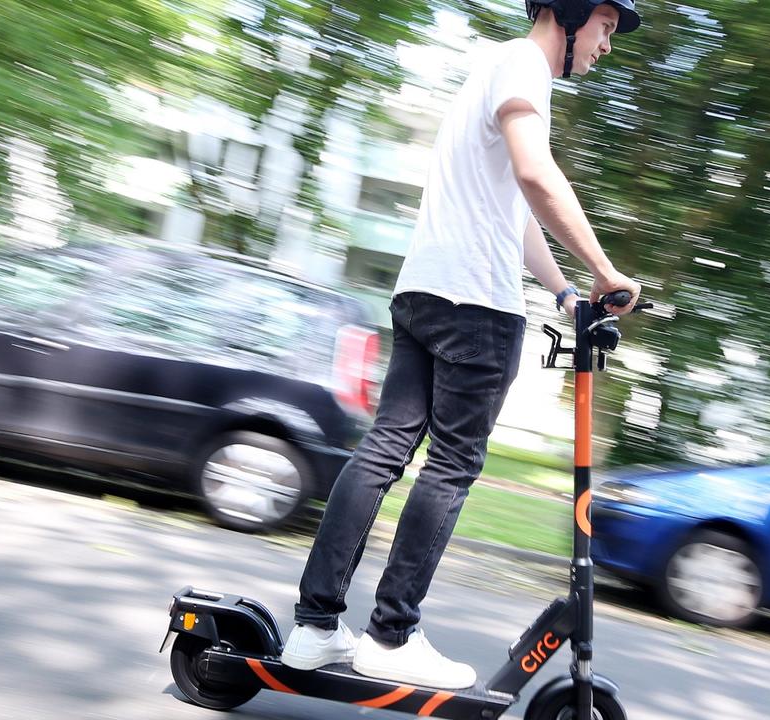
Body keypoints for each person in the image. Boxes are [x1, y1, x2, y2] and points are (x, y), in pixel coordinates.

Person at [280, 0, 644, 690]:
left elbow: (516, 210)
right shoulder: (526, 70)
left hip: (423, 291)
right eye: (605, 29)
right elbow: (538, 178)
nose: (606, 46)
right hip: (475, 308)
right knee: (449, 467)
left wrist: (568, 293)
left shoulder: (494, 69)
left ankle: (315, 627)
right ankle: (391, 634)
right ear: (571, 15)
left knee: (383, 450)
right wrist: (605, 270)